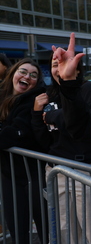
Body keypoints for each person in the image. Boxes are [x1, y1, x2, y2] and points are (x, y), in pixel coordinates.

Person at [31, 37, 91, 244]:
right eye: (53, 64)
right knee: (64, 234)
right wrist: (36, 113)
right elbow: (44, 140)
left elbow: (85, 128)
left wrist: (53, 115)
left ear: (75, 67)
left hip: (89, 171)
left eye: (62, 62)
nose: (58, 67)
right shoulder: (49, 96)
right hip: (57, 172)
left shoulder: (89, 90)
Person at [0, 58, 48, 244]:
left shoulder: (33, 100)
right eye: (23, 71)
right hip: (8, 174)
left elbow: (10, 136)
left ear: (36, 82)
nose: (27, 76)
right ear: (13, 74)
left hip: (34, 175)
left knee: (45, 229)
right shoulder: (2, 96)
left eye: (33, 75)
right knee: (17, 228)